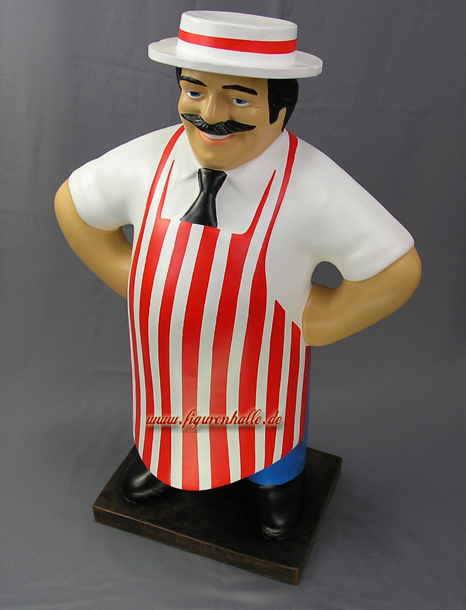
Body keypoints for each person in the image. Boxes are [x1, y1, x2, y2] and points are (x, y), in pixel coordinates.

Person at [54, 11, 421, 539]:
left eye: (240, 99)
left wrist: (317, 322)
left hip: (261, 366)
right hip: (167, 365)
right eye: (194, 91)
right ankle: (165, 458)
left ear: (281, 107)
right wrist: (132, 279)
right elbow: (73, 205)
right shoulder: (147, 159)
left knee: (266, 425)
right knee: (170, 410)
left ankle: (274, 477)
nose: (211, 114)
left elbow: (396, 270)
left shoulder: (314, 185)